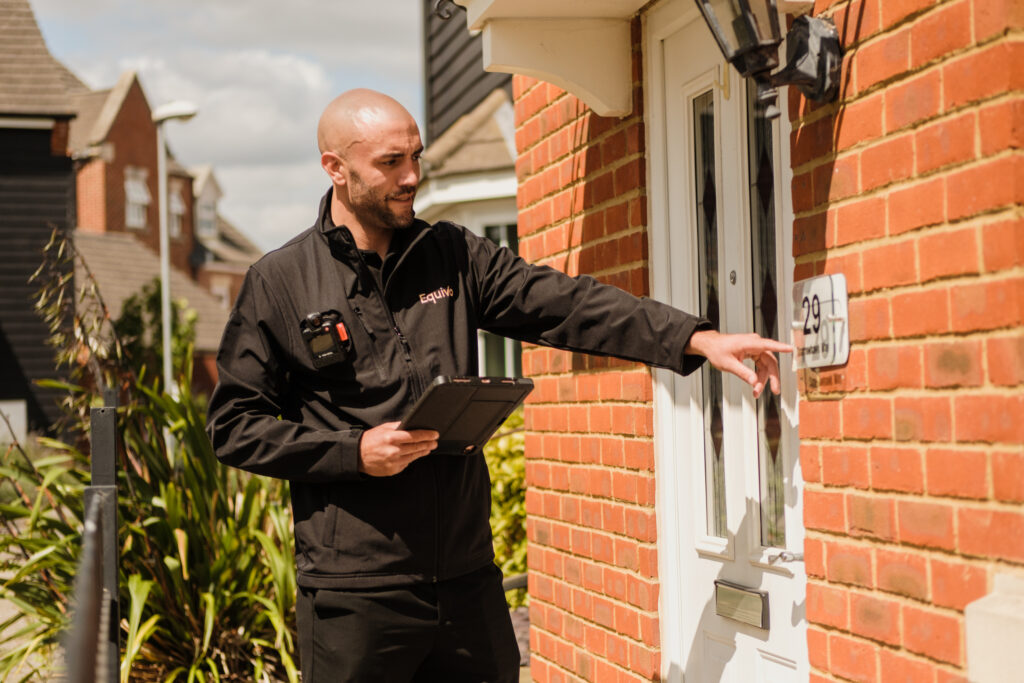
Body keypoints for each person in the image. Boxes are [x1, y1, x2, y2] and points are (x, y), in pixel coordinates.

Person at [206, 88, 792, 682]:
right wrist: (353, 452)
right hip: (355, 594)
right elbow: (233, 428)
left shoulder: (453, 255)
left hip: (467, 583)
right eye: (390, 163)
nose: (412, 176)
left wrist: (696, 339)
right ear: (335, 167)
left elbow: (567, 304)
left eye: (416, 156)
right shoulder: (279, 282)